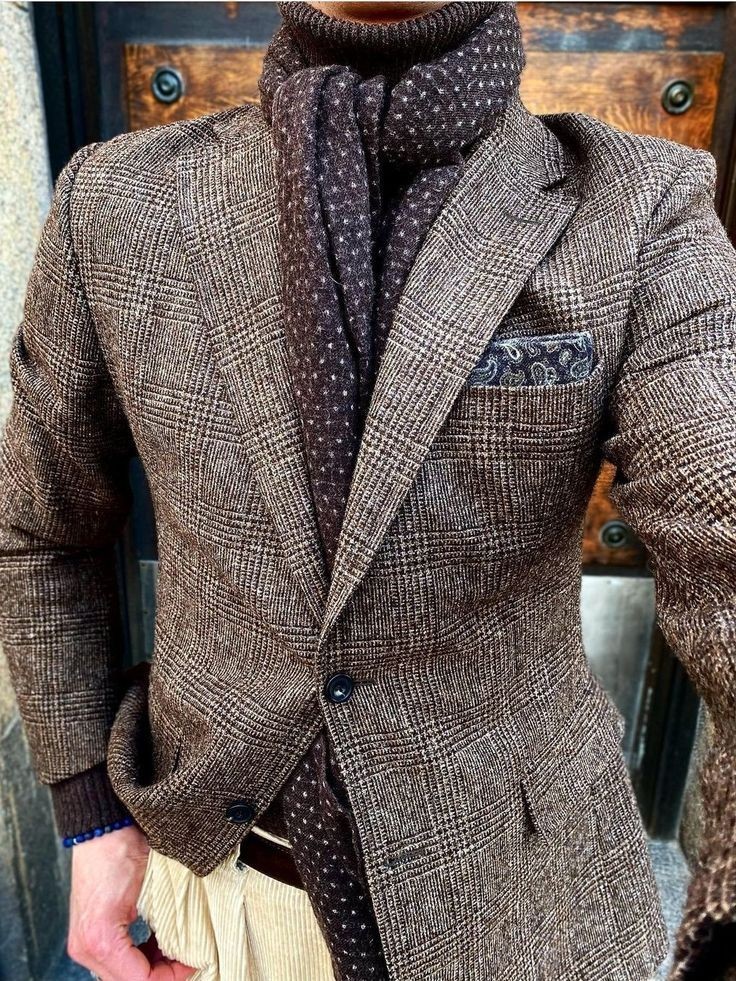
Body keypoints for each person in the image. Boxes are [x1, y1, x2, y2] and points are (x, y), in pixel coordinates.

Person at [0, 1, 734, 979]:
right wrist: (88, 810)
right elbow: (40, 527)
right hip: (224, 897)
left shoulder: (639, 206)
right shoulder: (115, 203)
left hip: (521, 903)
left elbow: (721, 525)